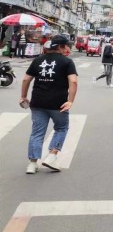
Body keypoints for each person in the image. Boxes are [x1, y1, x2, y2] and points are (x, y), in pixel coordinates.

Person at [20, 35, 78, 173]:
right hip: (58, 103)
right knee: (61, 128)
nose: (68, 48)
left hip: (38, 102)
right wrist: (70, 101)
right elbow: (73, 81)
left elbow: (26, 79)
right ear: (61, 47)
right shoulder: (67, 62)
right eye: (67, 46)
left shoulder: (38, 60)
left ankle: (32, 164)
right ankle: (52, 156)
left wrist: (23, 96)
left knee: (37, 132)